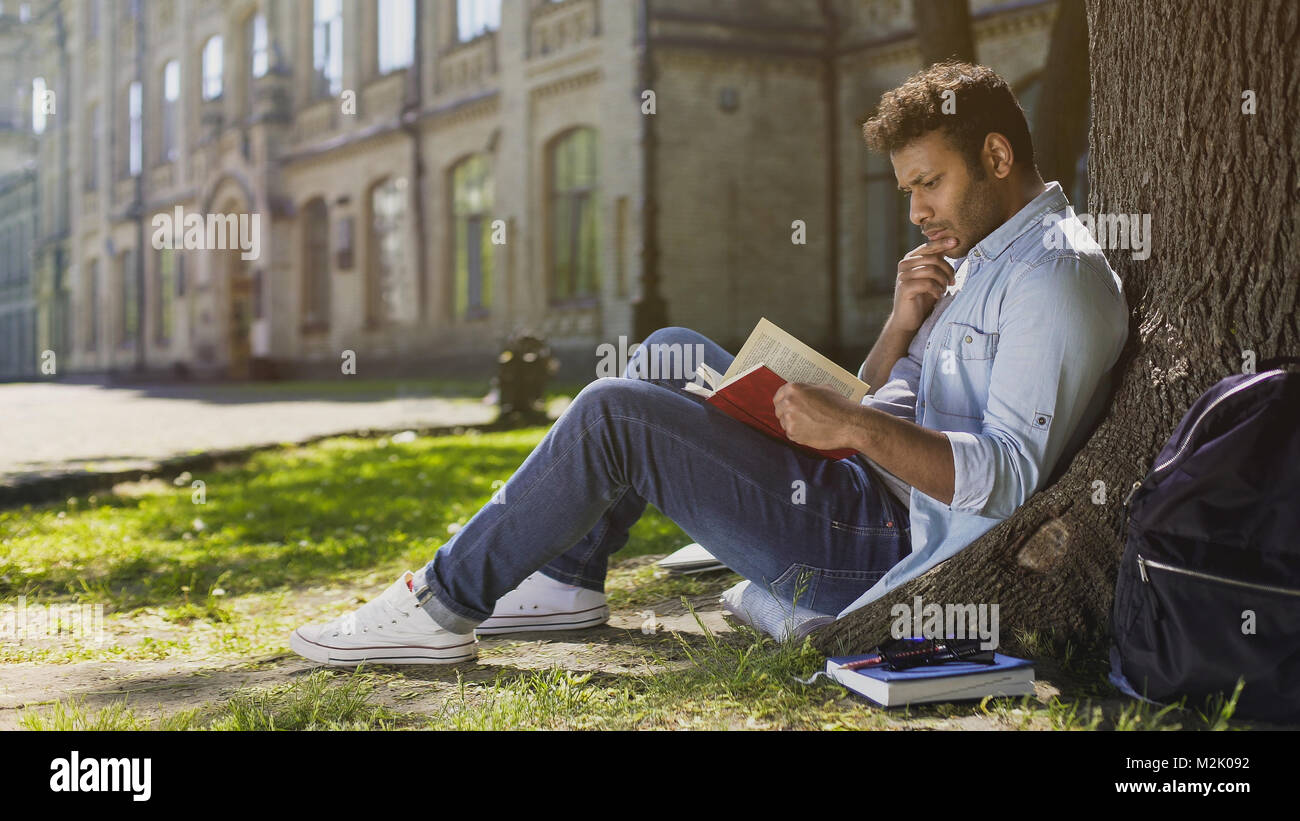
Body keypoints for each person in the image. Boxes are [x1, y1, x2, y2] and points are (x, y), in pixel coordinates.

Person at [290, 61, 1128, 665]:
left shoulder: (1053, 279)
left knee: (615, 410)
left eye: (928, 184)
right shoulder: (981, 254)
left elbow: (1010, 479)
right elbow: (891, 399)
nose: (914, 212)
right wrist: (897, 330)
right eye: (906, 190)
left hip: (875, 547)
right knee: (667, 351)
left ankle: (439, 604)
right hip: (860, 490)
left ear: (996, 157)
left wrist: (850, 427)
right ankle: (569, 577)